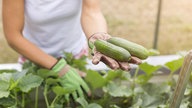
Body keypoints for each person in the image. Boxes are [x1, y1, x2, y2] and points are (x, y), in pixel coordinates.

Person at [2, 0, 141, 100]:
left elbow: (92, 11)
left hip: (76, 56)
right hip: (33, 59)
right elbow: (13, 36)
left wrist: (98, 37)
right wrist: (57, 66)